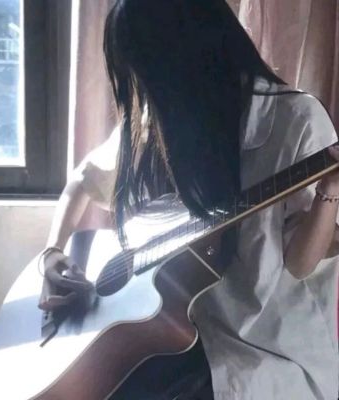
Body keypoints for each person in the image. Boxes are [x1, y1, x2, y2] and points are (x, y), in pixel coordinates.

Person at [40, 1, 339, 399]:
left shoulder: (294, 120)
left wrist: (329, 189)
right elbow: (81, 183)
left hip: (268, 347)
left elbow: (300, 264)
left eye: (149, 71)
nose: (143, 87)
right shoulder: (161, 122)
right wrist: (52, 253)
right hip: (183, 333)